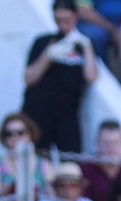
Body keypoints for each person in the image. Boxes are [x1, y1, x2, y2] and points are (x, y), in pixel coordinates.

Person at [22, 0, 98, 153]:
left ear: (76, 17)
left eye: (67, 20)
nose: (63, 25)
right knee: (39, 159)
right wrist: (48, 56)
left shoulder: (82, 45)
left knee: (72, 160)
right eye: (58, 20)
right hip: (39, 111)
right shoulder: (42, 42)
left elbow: (91, 76)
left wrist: (87, 47)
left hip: (68, 113)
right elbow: (28, 78)